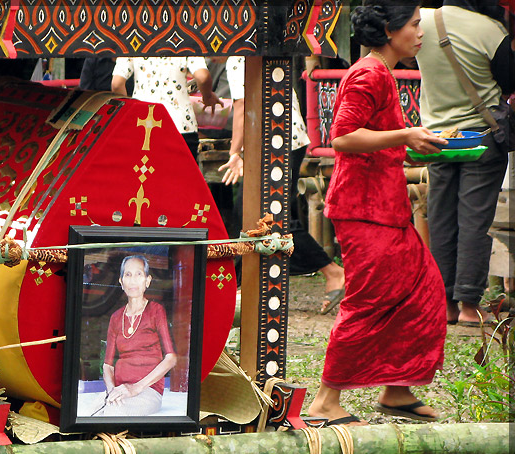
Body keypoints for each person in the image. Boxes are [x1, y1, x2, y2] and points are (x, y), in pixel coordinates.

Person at [307, 2, 448, 425]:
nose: (420, 33)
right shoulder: (369, 72)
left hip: (385, 207)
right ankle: (325, 401)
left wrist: (415, 143)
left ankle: (397, 389)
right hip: (363, 210)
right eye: (414, 25)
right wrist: (406, 133)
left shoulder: (380, 71)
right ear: (389, 29)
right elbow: (345, 138)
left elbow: (375, 139)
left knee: (423, 291)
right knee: (368, 301)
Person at [218, 56, 347, 313]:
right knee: (258, 217)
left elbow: (242, 107)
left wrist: (235, 152)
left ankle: (332, 271)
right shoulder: (260, 47)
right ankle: (248, 286)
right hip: (283, 139)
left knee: (268, 219)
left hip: (276, 142)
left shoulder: (239, 57)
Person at [415, 0, 515, 326]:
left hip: (436, 138)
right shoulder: (490, 30)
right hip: (480, 137)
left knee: (441, 216)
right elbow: (508, 82)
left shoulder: (421, 21)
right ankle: (469, 306)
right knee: (475, 220)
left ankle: (443, 304)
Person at [94, 255, 177, 417]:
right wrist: (112, 392)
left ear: (147, 281)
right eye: (128, 275)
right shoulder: (116, 317)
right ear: (121, 282)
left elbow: (171, 358)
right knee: (90, 412)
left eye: (139, 274)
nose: (133, 281)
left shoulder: (156, 311)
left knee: (113, 412)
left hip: (148, 391)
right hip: (118, 389)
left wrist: (135, 388)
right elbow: (107, 366)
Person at [111, 57, 220, 160]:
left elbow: (117, 84)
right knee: (181, 178)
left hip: (143, 127)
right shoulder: (187, 39)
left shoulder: (134, 40)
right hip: (181, 126)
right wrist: (207, 97)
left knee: (146, 177)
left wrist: (128, 112)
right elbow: (203, 77)